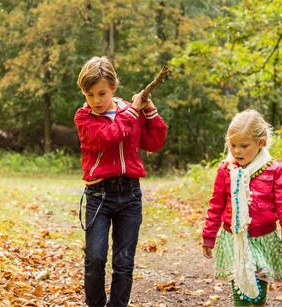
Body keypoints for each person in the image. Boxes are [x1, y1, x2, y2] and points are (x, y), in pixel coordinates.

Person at [74, 56, 167, 307]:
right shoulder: (84, 118)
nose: (96, 100)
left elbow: (153, 143)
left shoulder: (129, 110)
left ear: (114, 87)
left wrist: (148, 112)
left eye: (101, 93)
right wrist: (134, 112)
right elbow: (107, 138)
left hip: (130, 196)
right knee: (95, 258)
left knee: (124, 263)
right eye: (89, 94)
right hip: (99, 196)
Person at [202, 109, 282, 306]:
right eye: (233, 145)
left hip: (263, 238)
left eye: (244, 146)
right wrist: (209, 236)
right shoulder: (226, 169)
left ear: (260, 142)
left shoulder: (273, 169)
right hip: (234, 238)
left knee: (258, 291)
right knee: (241, 289)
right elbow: (216, 204)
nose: (237, 151)